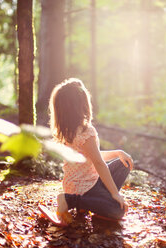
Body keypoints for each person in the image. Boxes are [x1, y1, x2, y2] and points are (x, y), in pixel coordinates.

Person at [47, 78, 134, 226]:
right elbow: (99, 163)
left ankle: (90, 204)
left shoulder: (68, 131)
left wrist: (117, 152)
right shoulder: (86, 131)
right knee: (117, 211)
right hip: (84, 188)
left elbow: (94, 157)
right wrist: (115, 194)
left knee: (123, 163)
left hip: (83, 182)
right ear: (81, 104)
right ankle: (70, 200)